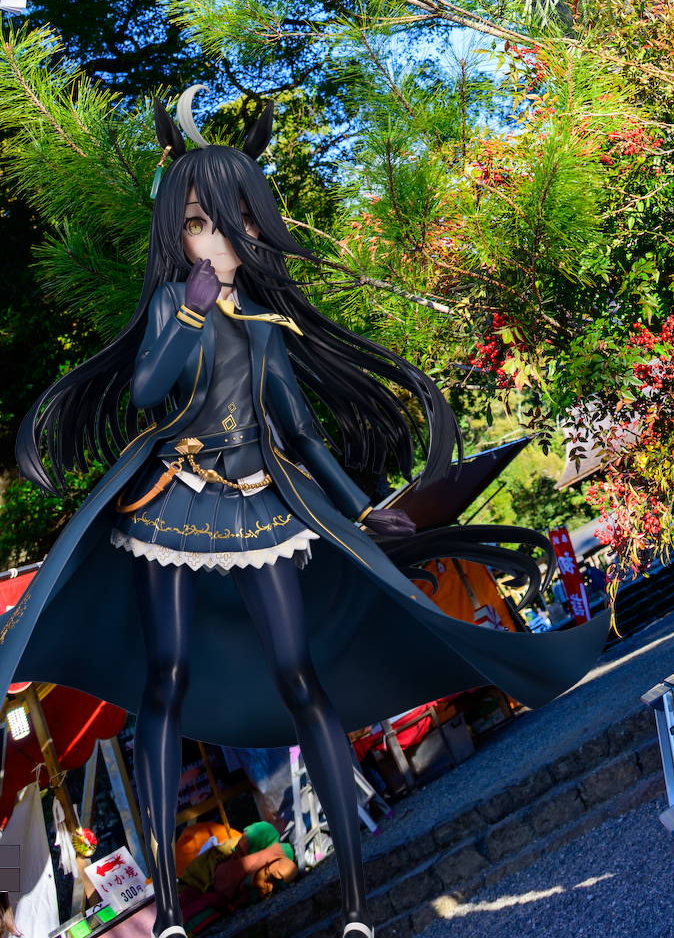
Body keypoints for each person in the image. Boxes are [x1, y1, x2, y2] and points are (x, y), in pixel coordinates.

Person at [0, 98, 606, 938]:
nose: (218, 237)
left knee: (302, 679)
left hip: (261, 502)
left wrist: (363, 513)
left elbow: (302, 430)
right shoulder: (174, 306)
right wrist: (190, 309)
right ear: (177, 231)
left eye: (234, 219)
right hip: (171, 503)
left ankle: (356, 901)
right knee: (163, 683)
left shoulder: (265, 327)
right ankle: (169, 914)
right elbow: (145, 391)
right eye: (199, 222)